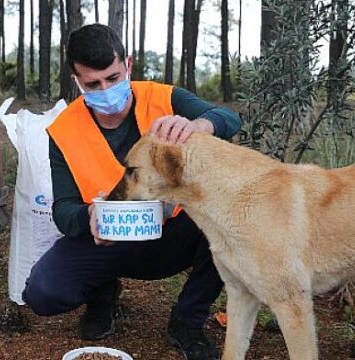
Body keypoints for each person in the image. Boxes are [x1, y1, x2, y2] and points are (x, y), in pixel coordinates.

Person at [22, 23, 242, 360]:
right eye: (92, 84)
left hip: (174, 232)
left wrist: (198, 125)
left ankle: (187, 320)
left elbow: (229, 118)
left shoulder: (165, 99)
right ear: (76, 81)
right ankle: (102, 296)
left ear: (128, 64)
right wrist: (89, 216)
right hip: (108, 238)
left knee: (227, 218)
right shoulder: (64, 131)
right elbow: (63, 211)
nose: (105, 90)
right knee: (42, 292)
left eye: (112, 78)